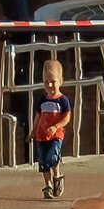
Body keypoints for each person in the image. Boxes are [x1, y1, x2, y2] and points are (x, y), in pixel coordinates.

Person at [32, 59, 71, 199]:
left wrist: (56, 126)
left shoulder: (62, 101)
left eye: (53, 81)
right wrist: (33, 130)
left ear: (61, 81)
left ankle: (58, 176)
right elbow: (38, 116)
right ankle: (48, 185)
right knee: (43, 161)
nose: (49, 85)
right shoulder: (42, 100)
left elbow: (67, 118)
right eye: (46, 82)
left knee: (52, 157)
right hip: (42, 136)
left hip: (56, 135)